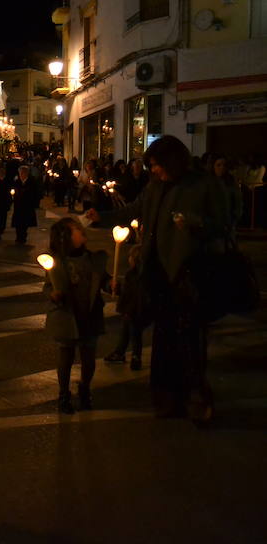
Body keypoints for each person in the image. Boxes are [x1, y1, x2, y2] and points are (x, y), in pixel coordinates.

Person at [86, 135, 229, 426]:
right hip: (158, 276)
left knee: (190, 341)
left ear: (174, 162)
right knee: (164, 341)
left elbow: (224, 224)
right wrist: (101, 217)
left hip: (190, 275)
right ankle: (166, 399)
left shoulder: (203, 185)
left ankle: (197, 398)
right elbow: (133, 211)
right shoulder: (155, 187)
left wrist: (196, 224)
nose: (155, 171)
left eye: (158, 166)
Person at [43, 217, 112, 414]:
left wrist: (112, 285)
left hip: (89, 314)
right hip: (67, 315)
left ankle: (84, 387)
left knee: (89, 356)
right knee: (66, 355)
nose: (83, 230)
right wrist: (53, 295)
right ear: (65, 237)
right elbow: (48, 287)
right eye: (77, 229)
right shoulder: (57, 263)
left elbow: (103, 279)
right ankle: (63, 393)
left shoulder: (92, 259)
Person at [104, 245, 148, 370]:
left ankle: (135, 356)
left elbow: (131, 294)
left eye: (130, 257)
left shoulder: (135, 276)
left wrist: (128, 310)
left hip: (133, 311)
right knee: (127, 332)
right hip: (132, 310)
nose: (128, 259)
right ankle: (121, 352)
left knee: (134, 333)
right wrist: (116, 288)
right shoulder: (135, 275)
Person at [211, 154, 243, 239]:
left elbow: (238, 203)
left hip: (228, 222)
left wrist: (234, 220)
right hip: (211, 224)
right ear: (213, 166)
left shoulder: (231, 183)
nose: (222, 168)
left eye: (224, 165)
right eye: (218, 165)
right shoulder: (208, 183)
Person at [11, 166, 39, 245]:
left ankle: (23, 237)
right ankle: (18, 236)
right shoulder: (17, 182)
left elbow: (35, 192)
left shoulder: (31, 181)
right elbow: (13, 190)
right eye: (20, 173)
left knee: (25, 223)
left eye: (23, 173)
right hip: (18, 205)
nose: (22, 175)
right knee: (18, 222)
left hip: (27, 205)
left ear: (27, 173)